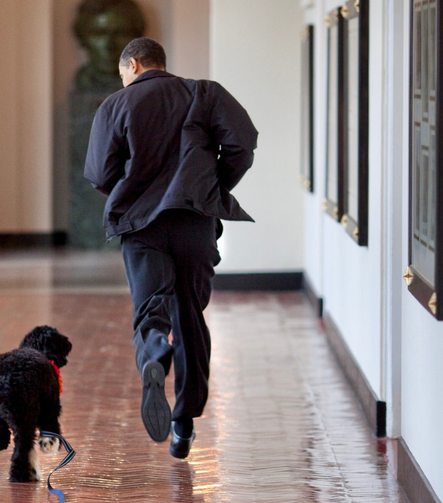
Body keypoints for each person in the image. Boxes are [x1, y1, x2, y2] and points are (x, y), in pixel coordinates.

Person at [83, 37, 258, 459]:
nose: (122, 80)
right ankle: (183, 423)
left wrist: (131, 190)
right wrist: (210, 185)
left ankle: (155, 352)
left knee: (151, 308)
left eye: (123, 72)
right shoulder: (204, 92)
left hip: (143, 225)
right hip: (194, 221)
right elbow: (243, 143)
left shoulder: (115, 105)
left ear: (135, 64)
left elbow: (98, 172)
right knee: (190, 315)